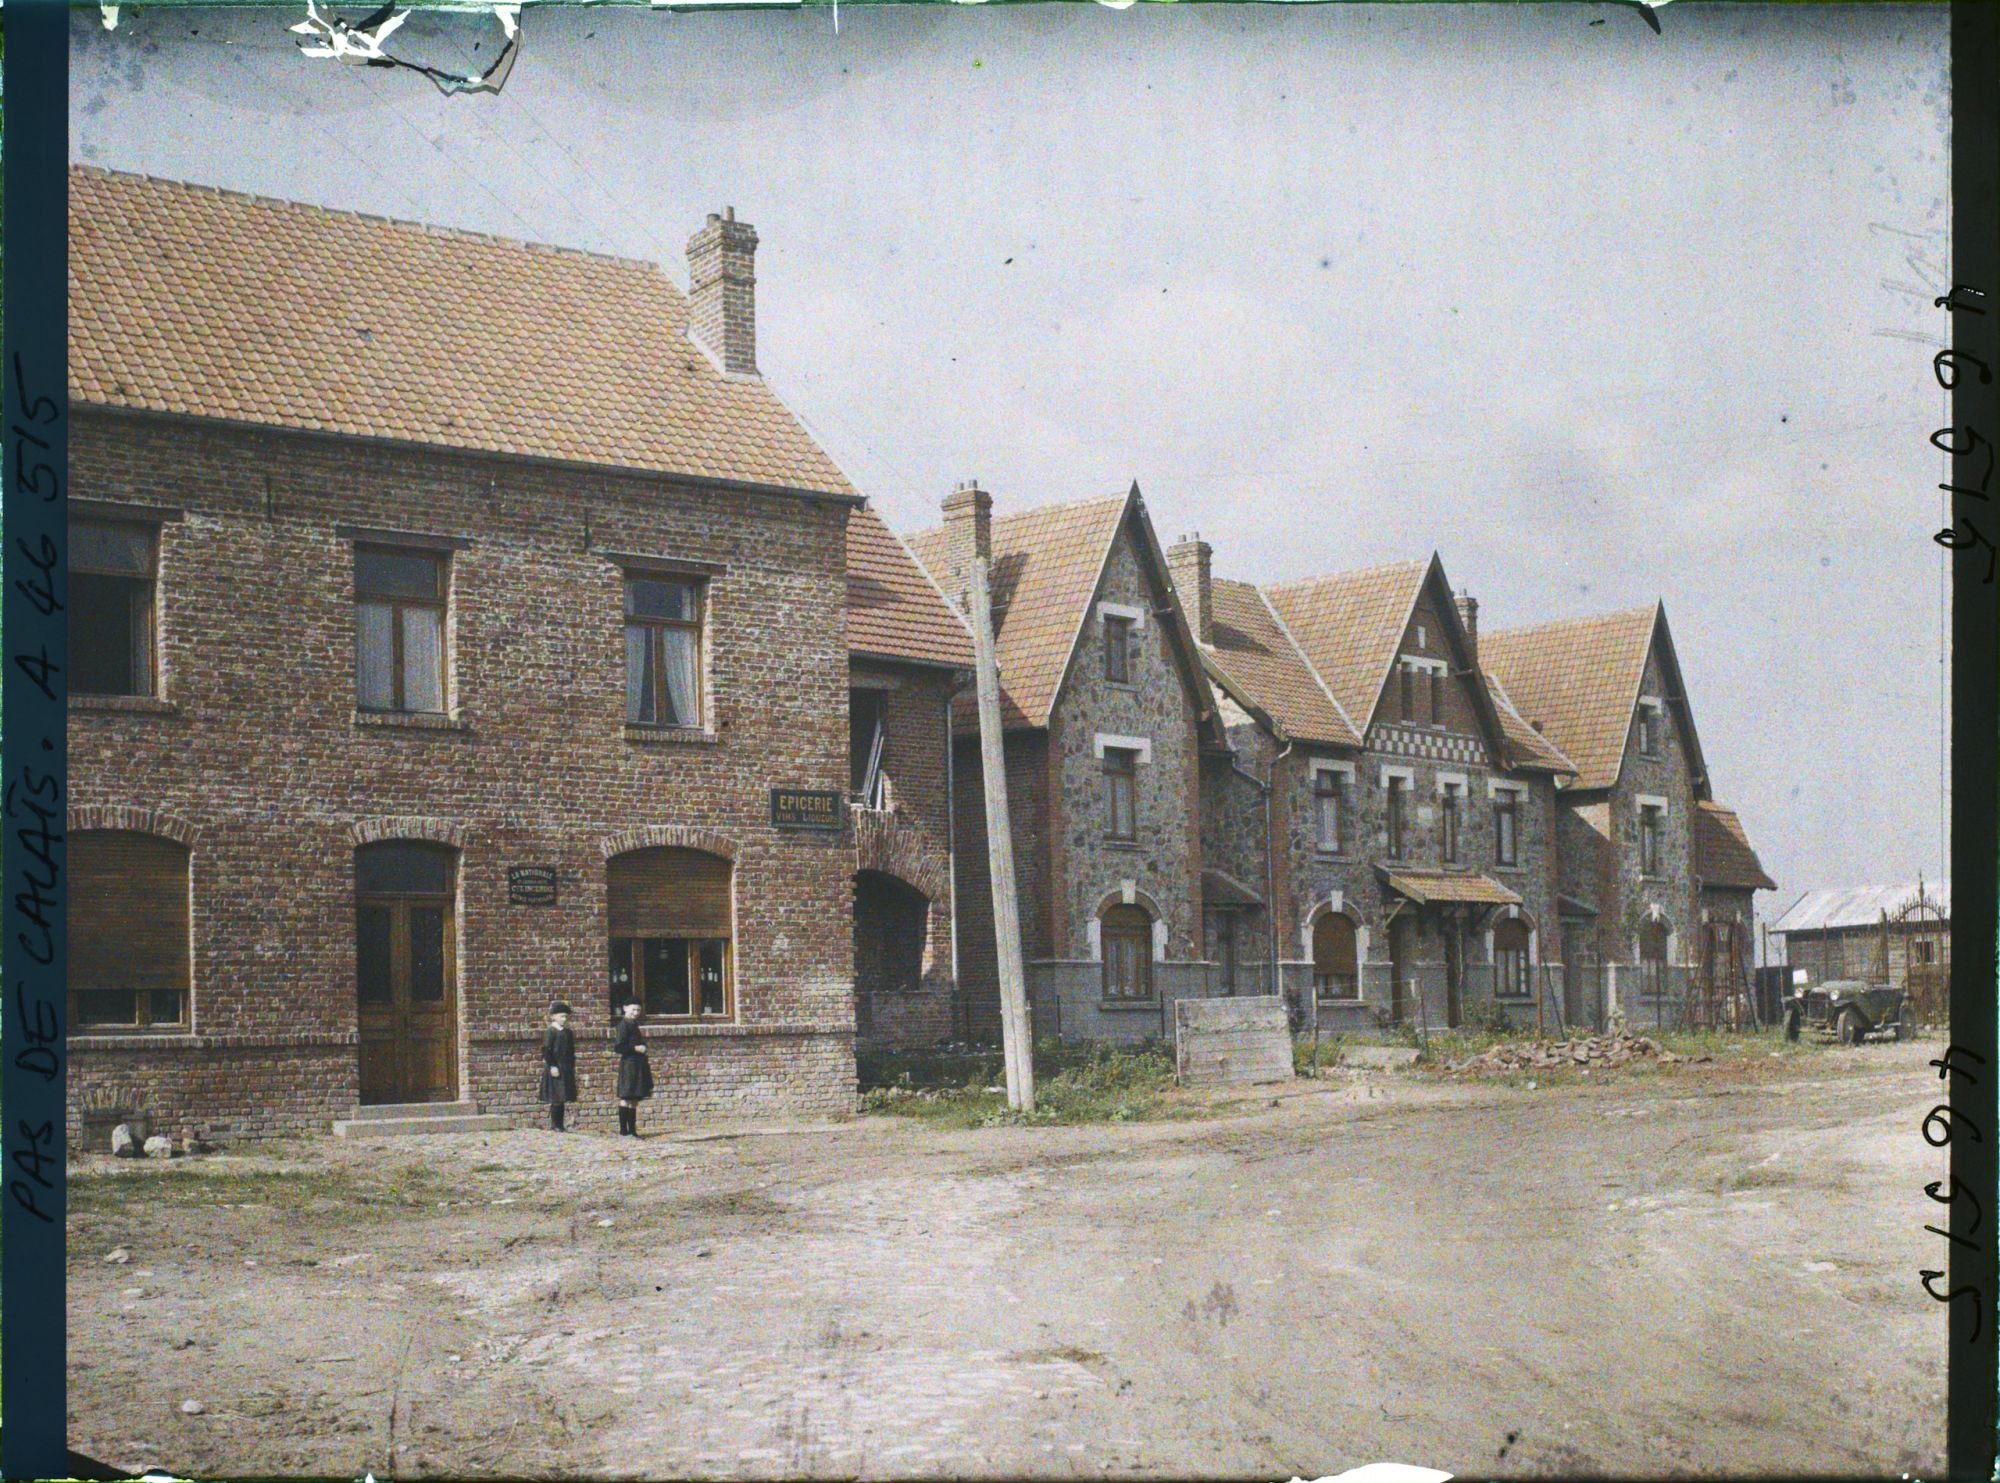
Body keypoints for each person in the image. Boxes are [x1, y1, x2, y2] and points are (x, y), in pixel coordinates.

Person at [614, 999, 653, 1137]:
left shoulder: (633, 1024)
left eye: (638, 1010)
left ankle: (632, 1130)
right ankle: (623, 1131)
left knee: (634, 1098)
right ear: (625, 1008)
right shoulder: (623, 1025)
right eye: (633, 1009)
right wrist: (635, 1048)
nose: (635, 1013)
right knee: (626, 1097)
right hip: (629, 1064)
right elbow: (618, 1047)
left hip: (637, 1064)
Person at [539, 1001, 578, 1131]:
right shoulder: (551, 1032)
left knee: (562, 1096)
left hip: (565, 1067)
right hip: (555, 1067)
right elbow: (546, 1051)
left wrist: (571, 1067)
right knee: (556, 1097)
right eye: (561, 1016)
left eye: (566, 1017)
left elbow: (571, 1051)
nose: (564, 1019)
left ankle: (560, 1124)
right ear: (553, 1017)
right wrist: (552, 1066)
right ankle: (555, 1124)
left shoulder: (568, 1033)